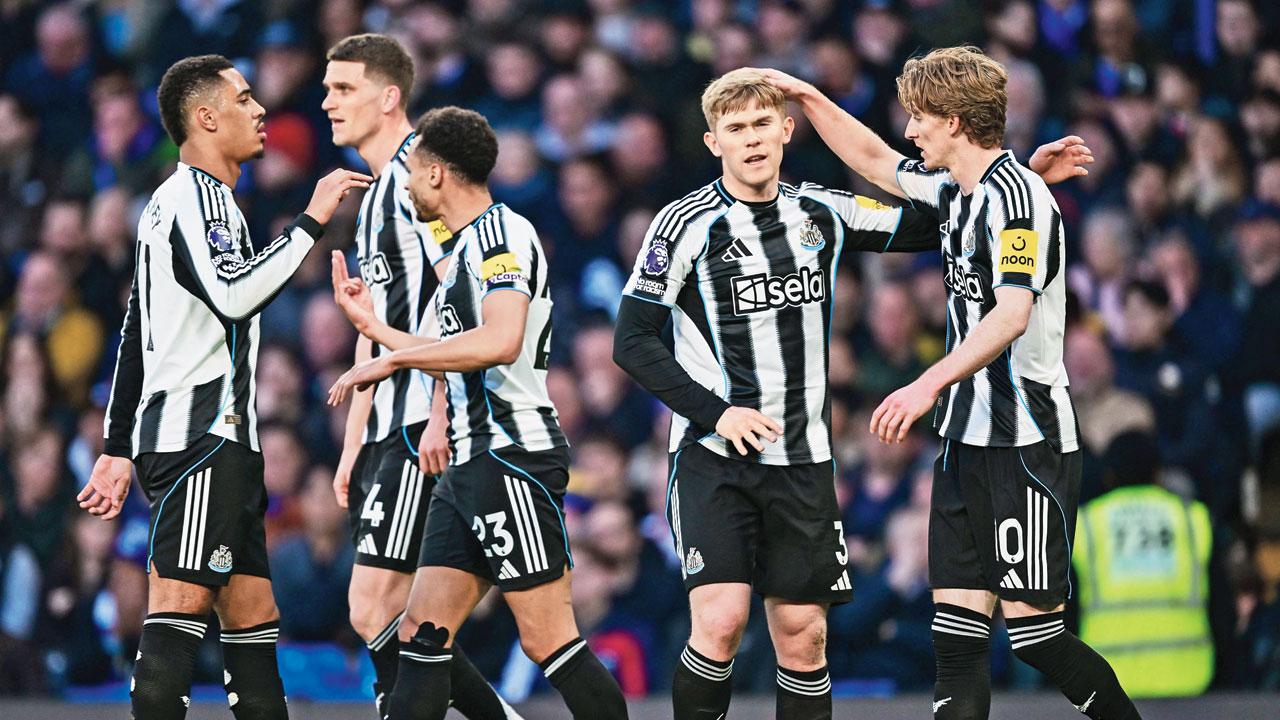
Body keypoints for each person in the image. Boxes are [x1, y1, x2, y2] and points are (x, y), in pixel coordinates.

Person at [610, 68, 1087, 720]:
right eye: (734, 130)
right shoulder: (683, 224)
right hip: (712, 456)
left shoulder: (821, 212)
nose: (750, 140)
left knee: (805, 637)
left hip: (804, 463)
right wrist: (717, 414)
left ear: (784, 132)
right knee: (720, 623)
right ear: (712, 141)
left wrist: (1017, 185)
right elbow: (632, 341)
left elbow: (939, 219)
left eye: (759, 125)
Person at [762, 46, 1141, 719]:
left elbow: (1013, 312)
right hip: (965, 444)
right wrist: (806, 95)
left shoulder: (1020, 201)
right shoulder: (961, 191)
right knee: (956, 636)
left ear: (957, 123)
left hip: (1025, 439)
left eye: (920, 118)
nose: (911, 131)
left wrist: (924, 383)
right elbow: (876, 161)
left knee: (1036, 634)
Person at [75, 54, 370, 719]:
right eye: (243, 100)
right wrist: (311, 219)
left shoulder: (200, 205)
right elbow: (235, 296)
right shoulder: (193, 201)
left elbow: (136, 335)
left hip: (218, 442)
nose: (260, 109)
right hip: (199, 440)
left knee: (253, 617)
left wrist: (118, 445)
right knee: (177, 611)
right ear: (206, 117)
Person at [326, 106, 628, 720]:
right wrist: (377, 331)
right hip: (466, 464)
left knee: (548, 638)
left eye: (411, 173)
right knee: (421, 633)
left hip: (510, 457)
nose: (405, 185)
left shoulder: (502, 238)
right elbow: (454, 353)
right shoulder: (463, 250)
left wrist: (393, 361)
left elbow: (501, 340)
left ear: (436, 174)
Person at [320, 33, 515, 720]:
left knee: (377, 605)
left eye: (342, 89)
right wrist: (352, 443)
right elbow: (373, 330)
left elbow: (459, 295)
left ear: (389, 96)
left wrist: (439, 411)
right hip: (386, 427)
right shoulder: (376, 198)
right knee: (398, 615)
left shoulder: (417, 179)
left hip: (422, 424)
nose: (327, 102)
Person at [1073, 431, 1214, 697]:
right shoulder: (1193, 518)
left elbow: (1063, 612)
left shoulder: (1086, 524)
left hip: (1105, 685)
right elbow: (1220, 607)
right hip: (1188, 680)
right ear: (1158, 474)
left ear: (1109, 475)